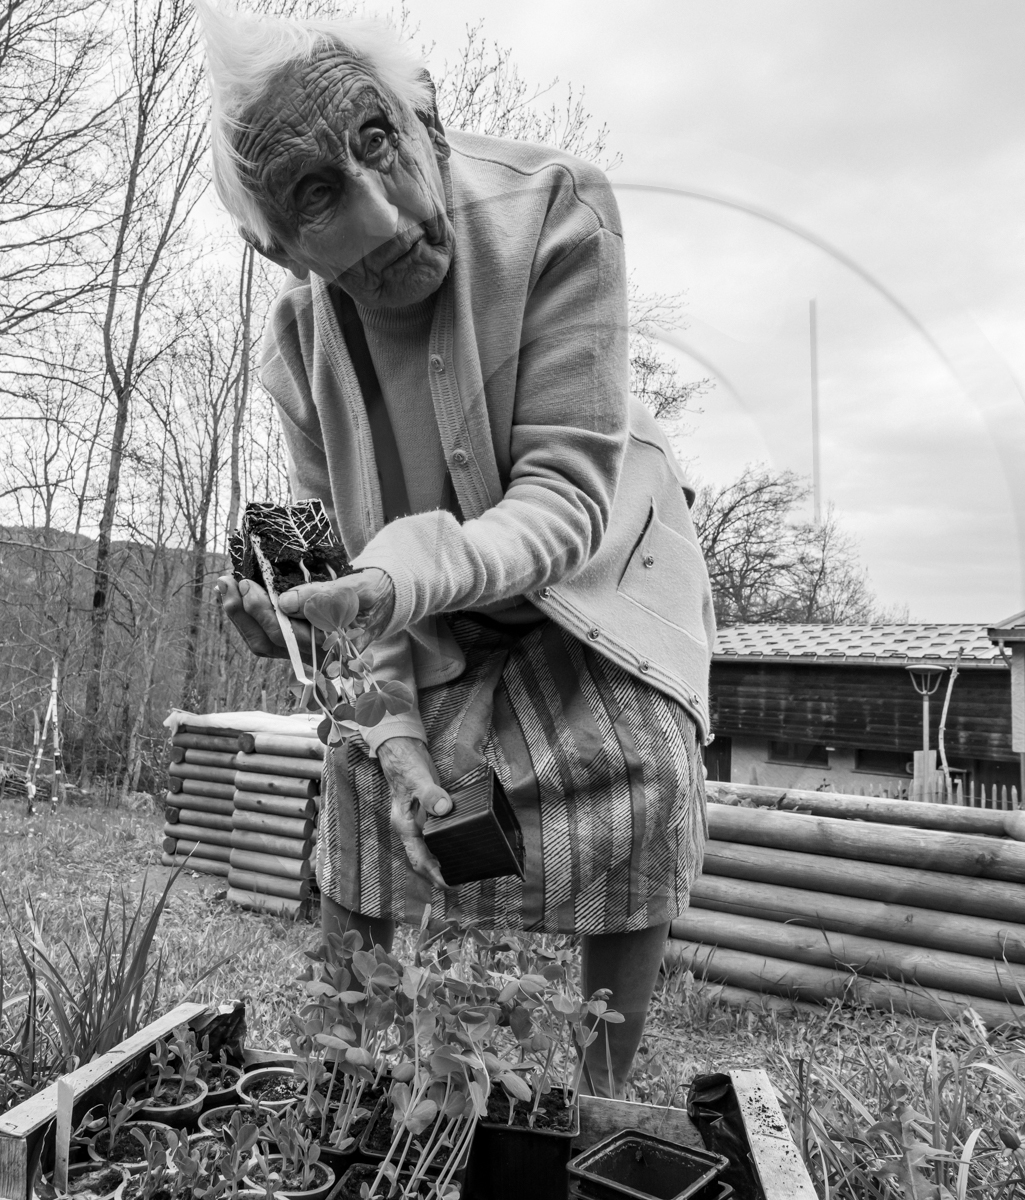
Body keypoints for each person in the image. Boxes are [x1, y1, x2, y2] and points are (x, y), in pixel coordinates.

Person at [200, 3, 715, 1097]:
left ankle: (597, 1095)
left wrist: (385, 582)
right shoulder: (297, 352)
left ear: (426, 117)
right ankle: (354, 1080)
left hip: (598, 588)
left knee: (645, 762)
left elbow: (564, 500)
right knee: (354, 787)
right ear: (277, 247)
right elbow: (349, 576)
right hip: (426, 619)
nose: (388, 213)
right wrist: (365, 696)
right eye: (319, 196)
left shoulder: (560, 210)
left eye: (380, 145)